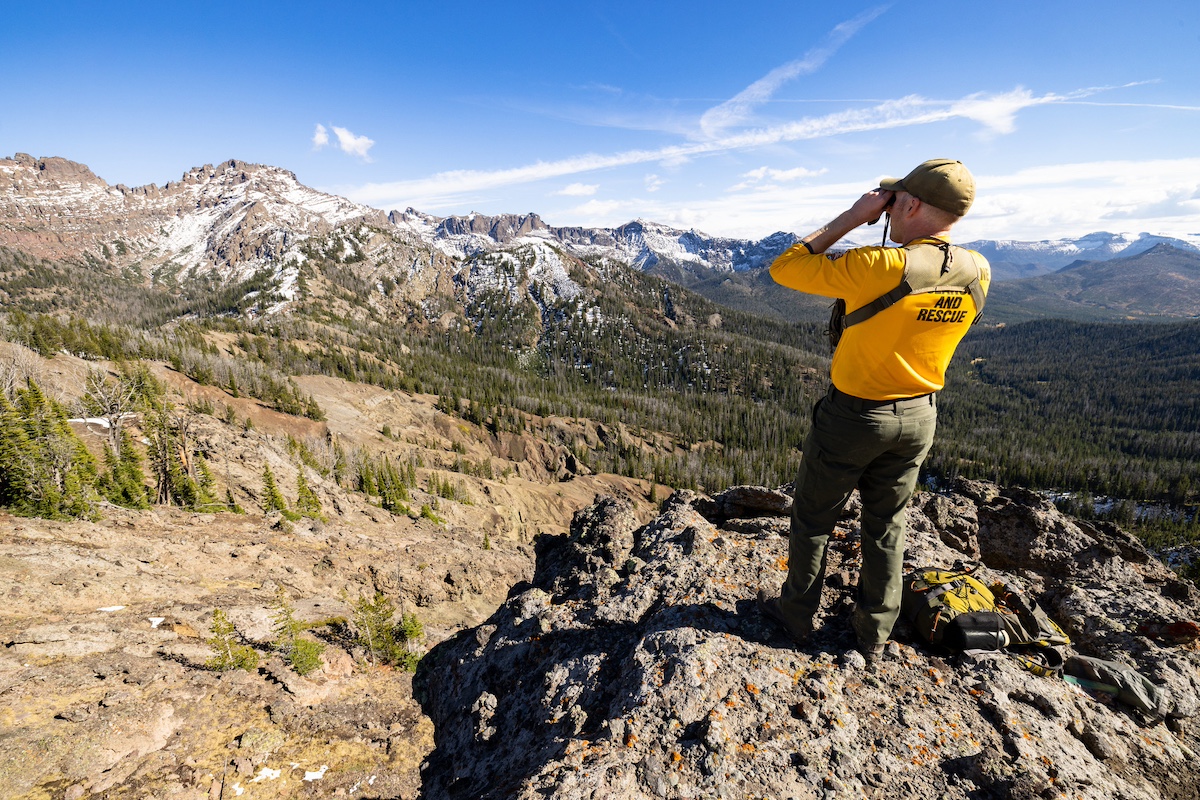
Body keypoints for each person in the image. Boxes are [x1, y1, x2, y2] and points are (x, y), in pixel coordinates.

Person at [758, 158, 991, 662]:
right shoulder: (978, 270)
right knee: (887, 525)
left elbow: (786, 267)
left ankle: (796, 617)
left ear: (908, 204)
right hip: (919, 416)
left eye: (892, 204)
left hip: (854, 417)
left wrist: (850, 216)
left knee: (815, 518)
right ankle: (874, 634)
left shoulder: (882, 265)